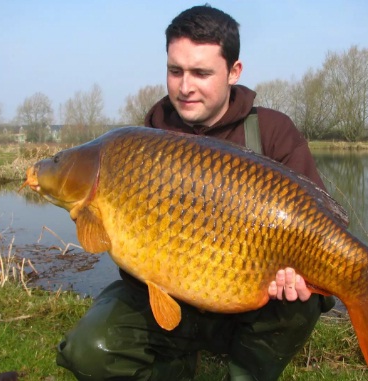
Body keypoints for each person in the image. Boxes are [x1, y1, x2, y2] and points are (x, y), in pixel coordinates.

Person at [56, 5, 335, 380]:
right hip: (166, 299)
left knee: (304, 300)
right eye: (175, 71)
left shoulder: (273, 132)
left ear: (234, 71)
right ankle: (176, 364)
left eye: (201, 73)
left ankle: (244, 373)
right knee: (87, 351)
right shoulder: (144, 139)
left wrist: (306, 280)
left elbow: (320, 226)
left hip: (249, 304)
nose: (185, 87)